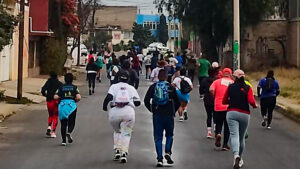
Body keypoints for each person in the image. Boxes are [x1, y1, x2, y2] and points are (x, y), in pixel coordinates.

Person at [144, 69, 181, 167]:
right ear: (166, 77)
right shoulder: (170, 87)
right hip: (169, 114)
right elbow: (178, 102)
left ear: (158, 77)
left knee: (158, 137)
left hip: (157, 114)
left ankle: (159, 159)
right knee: (169, 135)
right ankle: (168, 151)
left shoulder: (153, 87)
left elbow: (146, 100)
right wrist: (173, 111)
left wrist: (152, 110)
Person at [103, 70, 141, 163]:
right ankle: (124, 153)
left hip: (114, 113)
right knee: (126, 133)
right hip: (128, 112)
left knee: (117, 131)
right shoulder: (131, 88)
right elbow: (138, 102)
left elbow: (108, 98)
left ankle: (117, 151)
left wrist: (104, 107)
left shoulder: (113, 87)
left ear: (118, 78)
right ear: (128, 79)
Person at [223, 69, 257, 169]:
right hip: (244, 114)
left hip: (232, 112)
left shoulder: (230, 87)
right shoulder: (248, 87)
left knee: (234, 135)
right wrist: (255, 106)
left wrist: (228, 101)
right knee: (241, 137)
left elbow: (225, 100)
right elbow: (251, 101)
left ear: (235, 77)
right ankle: (240, 158)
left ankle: (236, 155)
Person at [209, 68, 234, 151]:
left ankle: (218, 133)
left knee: (218, 123)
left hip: (218, 105)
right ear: (230, 74)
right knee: (227, 126)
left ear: (222, 73)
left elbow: (211, 89)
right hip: (229, 106)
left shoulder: (217, 81)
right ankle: (225, 144)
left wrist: (215, 96)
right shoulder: (232, 82)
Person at [54, 73, 81, 146]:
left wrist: (60, 98)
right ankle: (69, 132)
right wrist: (75, 100)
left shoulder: (61, 87)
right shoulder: (75, 87)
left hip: (62, 106)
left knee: (63, 124)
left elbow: (55, 97)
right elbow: (78, 97)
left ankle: (63, 141)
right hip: (71, 106)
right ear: (72, 79)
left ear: (65, 79)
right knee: (71, 122)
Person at [41, 72, 63, 138]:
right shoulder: (59, 84)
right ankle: (53, 132)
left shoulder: (48, 82)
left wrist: (46, 95)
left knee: (50, 115)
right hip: (56, 102)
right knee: (55, 116)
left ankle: (49, 126)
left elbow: (43, 90)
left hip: (49, 101)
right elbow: (62, 91)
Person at [200, 68, 219, 138]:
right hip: (216, 99)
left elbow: (201, 90)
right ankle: (216, 128)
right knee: (216, 115)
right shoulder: (217, 81)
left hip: (207, 99)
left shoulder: (204, 80)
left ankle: (209, 132)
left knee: (209, 115)